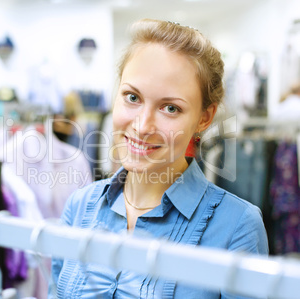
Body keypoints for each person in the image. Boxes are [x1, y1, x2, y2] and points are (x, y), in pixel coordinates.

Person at [49, 19, 268, 298]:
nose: (142, 126)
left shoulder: (237, 227)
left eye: (170, 108)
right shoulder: (78, 207)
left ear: (204, 118)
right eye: (132, 97)